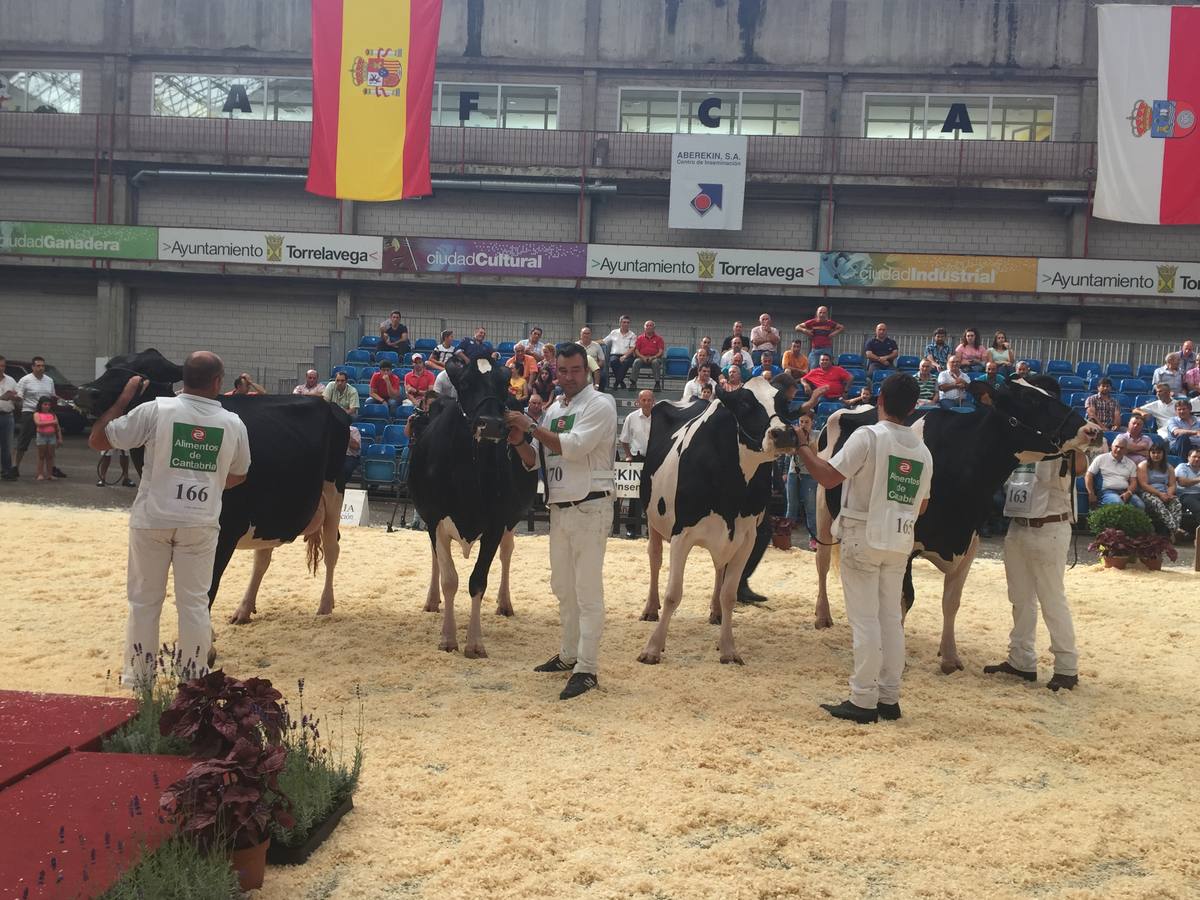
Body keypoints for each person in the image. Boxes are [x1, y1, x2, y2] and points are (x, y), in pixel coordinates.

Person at [88, 351, 251, 687]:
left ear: (184, 378)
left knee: (144, 601)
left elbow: (98, 439)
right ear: (218, 382)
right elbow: (239, 475)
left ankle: (138, 678)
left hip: (153, 519)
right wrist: (207, 480)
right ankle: (193, 679)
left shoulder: (155, 410)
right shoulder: (233, 423)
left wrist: (124, 397)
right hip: (200, 522)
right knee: (194, 603)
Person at [797, 373, 932, 723]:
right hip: (899, 539)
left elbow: (828, 477)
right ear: (914, 407)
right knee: (890, 619)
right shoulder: (922, 449)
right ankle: (889, 697)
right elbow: (922, 506)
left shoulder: (868, 436)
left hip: (862, 534)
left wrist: (803, 447)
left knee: (865, 620)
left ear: (881, 401)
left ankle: (862, 699)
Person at [505, 343, 618, 701]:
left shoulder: (602, 404)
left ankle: (587, 667)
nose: (569, 377)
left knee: (587, 592)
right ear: (556, 373)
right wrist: (519, 441)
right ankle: (569, 654)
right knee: (562, 588)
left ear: (587, 371)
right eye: (563, 371)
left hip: (591, 506)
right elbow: (536, 461)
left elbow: (573, 446)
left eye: (575, 370)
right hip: (561, 509)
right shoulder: (555, 409)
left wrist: (531, 427)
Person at [984, 376, 1085, 692]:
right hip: (1017, 526)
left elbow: (1080, 465)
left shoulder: (1064, 440)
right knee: (1020, 598)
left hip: (1050, 526)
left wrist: (1078, 439)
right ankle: (1021, 661)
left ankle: (1067, 667)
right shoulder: (1022, 438)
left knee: (1052, 599)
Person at [14, 356, 59, 478]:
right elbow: (19, 397)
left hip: (46, 414)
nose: (41, 368)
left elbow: (52, 396)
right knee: (23, 440)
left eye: (42, 366)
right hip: (29, 411)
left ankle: (51, 469)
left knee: (49, 442)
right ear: (32, 367)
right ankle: (15, 467)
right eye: (38, 365)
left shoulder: (49, 380)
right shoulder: (25, 380)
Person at [618, 389, 654, 538]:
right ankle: (631, 528)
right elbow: (624, 440)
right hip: (636, 458)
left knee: (652, 495)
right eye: (643, 400)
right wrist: (628, 456)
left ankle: (651, 529)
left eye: (649, 400)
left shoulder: (659, 417)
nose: (646, 403)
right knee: (634, 495)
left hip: (654, 460)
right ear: (638, 402)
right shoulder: (631, 417)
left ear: (654, 401)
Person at [1138, 444, 1183, 536]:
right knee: (1158, 503)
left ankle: (1172, 533)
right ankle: (1175, 529)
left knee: (1176, 502)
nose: (1156, 455)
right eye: (1153, 452)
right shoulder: (1143, 465)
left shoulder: (1169, 467)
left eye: (1159, 453)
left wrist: (1169, 494)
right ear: (1149, 454)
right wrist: (1159, 494)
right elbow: (1144, 484)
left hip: (1165, 493)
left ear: (1163, 454)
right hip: (1148, 493)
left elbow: (1172, 484)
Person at [1086, 440, 1144, 509]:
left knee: (1140, 505)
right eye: (1116, 446)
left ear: (1126, 450)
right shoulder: (1101, 458)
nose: (1119, 449)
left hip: (1125, 491)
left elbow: (1133, 481)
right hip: (1106, 492)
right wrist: (1091, 493)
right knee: (1118, 503)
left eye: (1122, 448)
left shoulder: (1130, 463)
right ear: (1111, 447)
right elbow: (1089, 475)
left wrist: (1129, 492)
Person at [1134, 381, 1199, 438]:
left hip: (1179, 428)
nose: (1158, 394)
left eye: (1160, 391)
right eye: (1157, 392)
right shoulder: (1154, 405)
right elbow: (1135, 410)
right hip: (1164, 431)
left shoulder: (1178, 404)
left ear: (1168, 392)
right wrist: (1143, 413)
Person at [601, 315, 638, 390]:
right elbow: (604, 341)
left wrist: (624, 356)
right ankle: (621, 381)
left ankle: (616, 382)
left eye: (628, 322)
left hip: (628, 355)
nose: (626, 324)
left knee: (625, 362)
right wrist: (592, 342)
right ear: (620, 323)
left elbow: (632, 348)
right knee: (613, 361)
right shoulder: (614, 332)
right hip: (615, 354)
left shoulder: (632, 335)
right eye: (624, 322)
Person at [31, 396, 62, 481]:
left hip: (51, 436)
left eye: (48, 405)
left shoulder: (52, 414)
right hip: (42, 436)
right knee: (41, 455)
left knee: (50, 456)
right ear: (40, 405)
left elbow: (57, 427)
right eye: (45, 404)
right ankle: (40, 473)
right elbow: (38, 423)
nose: (47, 406)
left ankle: (49, 474)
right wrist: (52, 422)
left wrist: (59, 438)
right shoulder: (37, 414)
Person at [629, 320, 665, 391]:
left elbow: (660, 351)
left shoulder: (659, 339)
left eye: (650, 325)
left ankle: (657, 384)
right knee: (636, 361)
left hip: (655, 358)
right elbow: (636, 350)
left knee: (655, 362)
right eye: (647, 325)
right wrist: (642, 357)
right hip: (642, 357)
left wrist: (653, 357)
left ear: (654, 328)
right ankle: (633, 383)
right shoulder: (640, 338)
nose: (648, 327)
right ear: (644, 328)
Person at [0, 355, 19, 480]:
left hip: (7, 416)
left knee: (7, 445)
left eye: (3, 366)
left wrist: (15, 398)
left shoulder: (11, 380)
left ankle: (6, 471)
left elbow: (18, 397)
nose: (1, 368)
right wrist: (2, 397)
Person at [1174, 449, 1200, 529]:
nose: (1197, 459)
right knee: (1198, 508)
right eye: (1194, 456)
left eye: (1199, 457)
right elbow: (1183, 483)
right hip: (1185, 494)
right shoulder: (1182, 466)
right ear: (1188, 457)